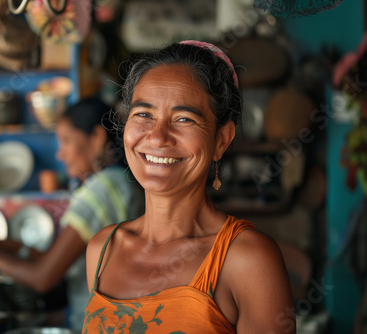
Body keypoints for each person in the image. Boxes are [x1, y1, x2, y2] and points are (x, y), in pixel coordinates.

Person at [83, 41, 296, 333]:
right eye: (144, 114)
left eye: (184, 119)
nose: (157, 137)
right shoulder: (102, 250)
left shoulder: (246, 260)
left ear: (221, 139)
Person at [0, 97, 144, 331]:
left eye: (66, 141)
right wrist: (18, 249)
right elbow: (74, 260)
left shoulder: (103, 190)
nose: (60, 155)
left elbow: (43, 278)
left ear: (96, 137)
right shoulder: (121, 183)